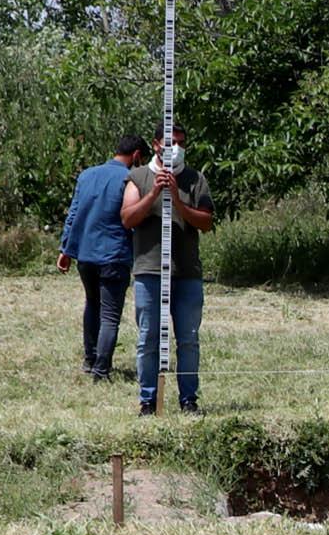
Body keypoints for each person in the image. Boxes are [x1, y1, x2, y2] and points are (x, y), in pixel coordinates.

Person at [119, 126, 215, 416]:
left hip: (186, 272)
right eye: (171, 142)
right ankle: (148, 401)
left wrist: (176, 198)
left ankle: (189, 400)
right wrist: (155, 194)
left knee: (188, 338)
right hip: (149, 271)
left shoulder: (195, 179)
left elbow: (206, 222)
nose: (177, 147)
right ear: (156, 145)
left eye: (182, 143)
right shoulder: (138, 177)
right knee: (148, 338)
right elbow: (127, 218)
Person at [56, 133, 148, 383]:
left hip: (85, 254)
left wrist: (65, 250)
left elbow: (73, 213)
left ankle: (89, 359)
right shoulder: (130, 179)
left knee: (92, 304)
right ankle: (101, 369)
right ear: (137, 155)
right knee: (109, 314)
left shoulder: (87, 175)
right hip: (114, 254)